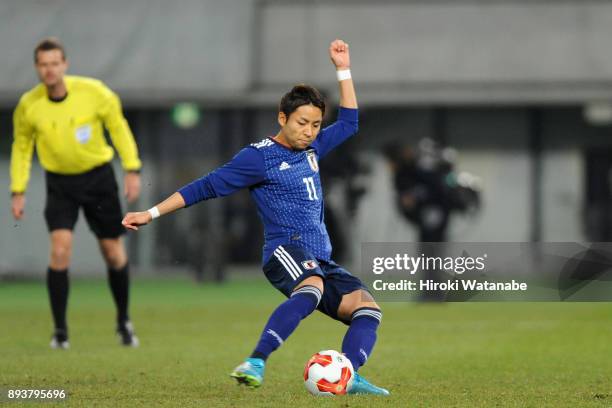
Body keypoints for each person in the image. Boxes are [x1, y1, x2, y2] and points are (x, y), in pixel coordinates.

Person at [122, 39, 389, 395]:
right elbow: (205, 187)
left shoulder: (312, 147)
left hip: (319, 258)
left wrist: (343, 68)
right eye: (302, 123)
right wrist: (150, 213)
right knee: (312, 287)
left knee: (367, 308)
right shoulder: (257, 158)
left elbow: (351, 122)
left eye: (315, 124)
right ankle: (256, 361)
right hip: (284, 251)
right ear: (282, 118)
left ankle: (347, 374)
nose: (309, 131)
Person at [10, 38, 142, 349]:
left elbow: (119, 128)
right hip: (60, 185)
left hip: (98, 180)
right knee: (59, 250)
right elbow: (22, 148)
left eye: (55, 63)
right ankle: (60, 331)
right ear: (37, 68)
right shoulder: (29, 105)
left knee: (112, 252)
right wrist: (18, 189)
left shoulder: (94, 92)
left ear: (65, 65)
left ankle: (123, 320)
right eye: (43, 64)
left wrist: (132, 169)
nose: (49, 69)